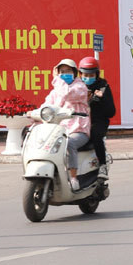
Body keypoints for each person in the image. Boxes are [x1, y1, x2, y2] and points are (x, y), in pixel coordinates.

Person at [43, 58, 90, 191]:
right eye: (62, 71)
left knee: (68, 144)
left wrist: (57, 78)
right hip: (58, 131)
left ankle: (73, 178)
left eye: (68, 71)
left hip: (78, 130)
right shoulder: (55, 92)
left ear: (74, 72)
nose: (65, 74)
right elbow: (46, 107)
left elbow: (67, 94)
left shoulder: (80, 88)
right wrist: (32, 115)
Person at [80, 56, 115, 179]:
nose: (87, 78)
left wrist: (101, 100)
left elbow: (111, 112)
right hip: (79, 120)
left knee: (95, 134)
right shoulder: (77, 86)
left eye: (91, 75)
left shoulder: (103, 86)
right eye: (85, 75)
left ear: (97, 74)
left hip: (97, 121)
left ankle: (102, 165)